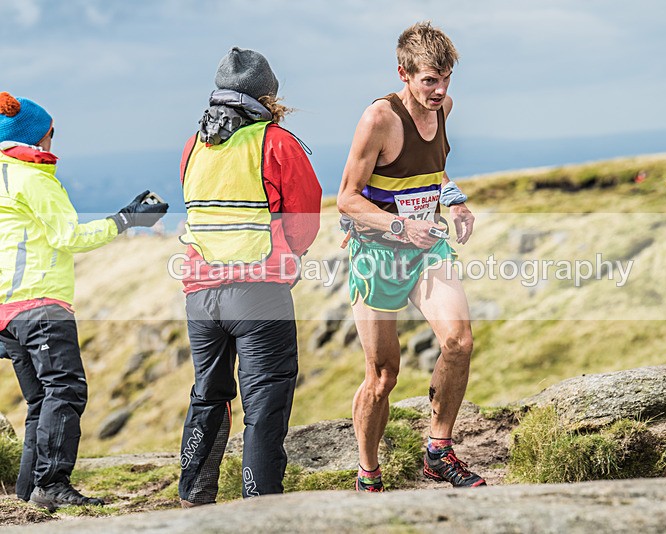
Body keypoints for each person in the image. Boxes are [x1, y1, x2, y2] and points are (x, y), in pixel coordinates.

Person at [0, 92, 168, 510]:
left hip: (7, 311)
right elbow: (70, 237)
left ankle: (28, 492)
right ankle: (52, 485)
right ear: (40, 136)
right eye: (52, 132)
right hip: (39, 304)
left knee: (41, 401)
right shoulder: (32, 177)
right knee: (66, 390)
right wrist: (125, 219)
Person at [337, 21, 485, 492]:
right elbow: (346, 198)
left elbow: (434, 170)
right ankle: (368, 472)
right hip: (376, 254)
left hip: (426, 250)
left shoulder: (444, 108)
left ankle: (438, 451)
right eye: (429, 80)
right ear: (403, 73)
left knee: (459, 341)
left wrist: (455, 201)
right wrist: (400, 225)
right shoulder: (378, 119)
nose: (440, 90)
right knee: (383, 377)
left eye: (446, 79)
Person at [177, 47, 321, 506]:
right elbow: (305, 220)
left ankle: (194, 495)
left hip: (200, 296)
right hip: (258, 293)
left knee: (208, 395)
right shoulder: (276, 143)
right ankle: (260, 504)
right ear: (267, 96)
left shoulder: (194, 145)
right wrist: (288, 254)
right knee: (264, 402)